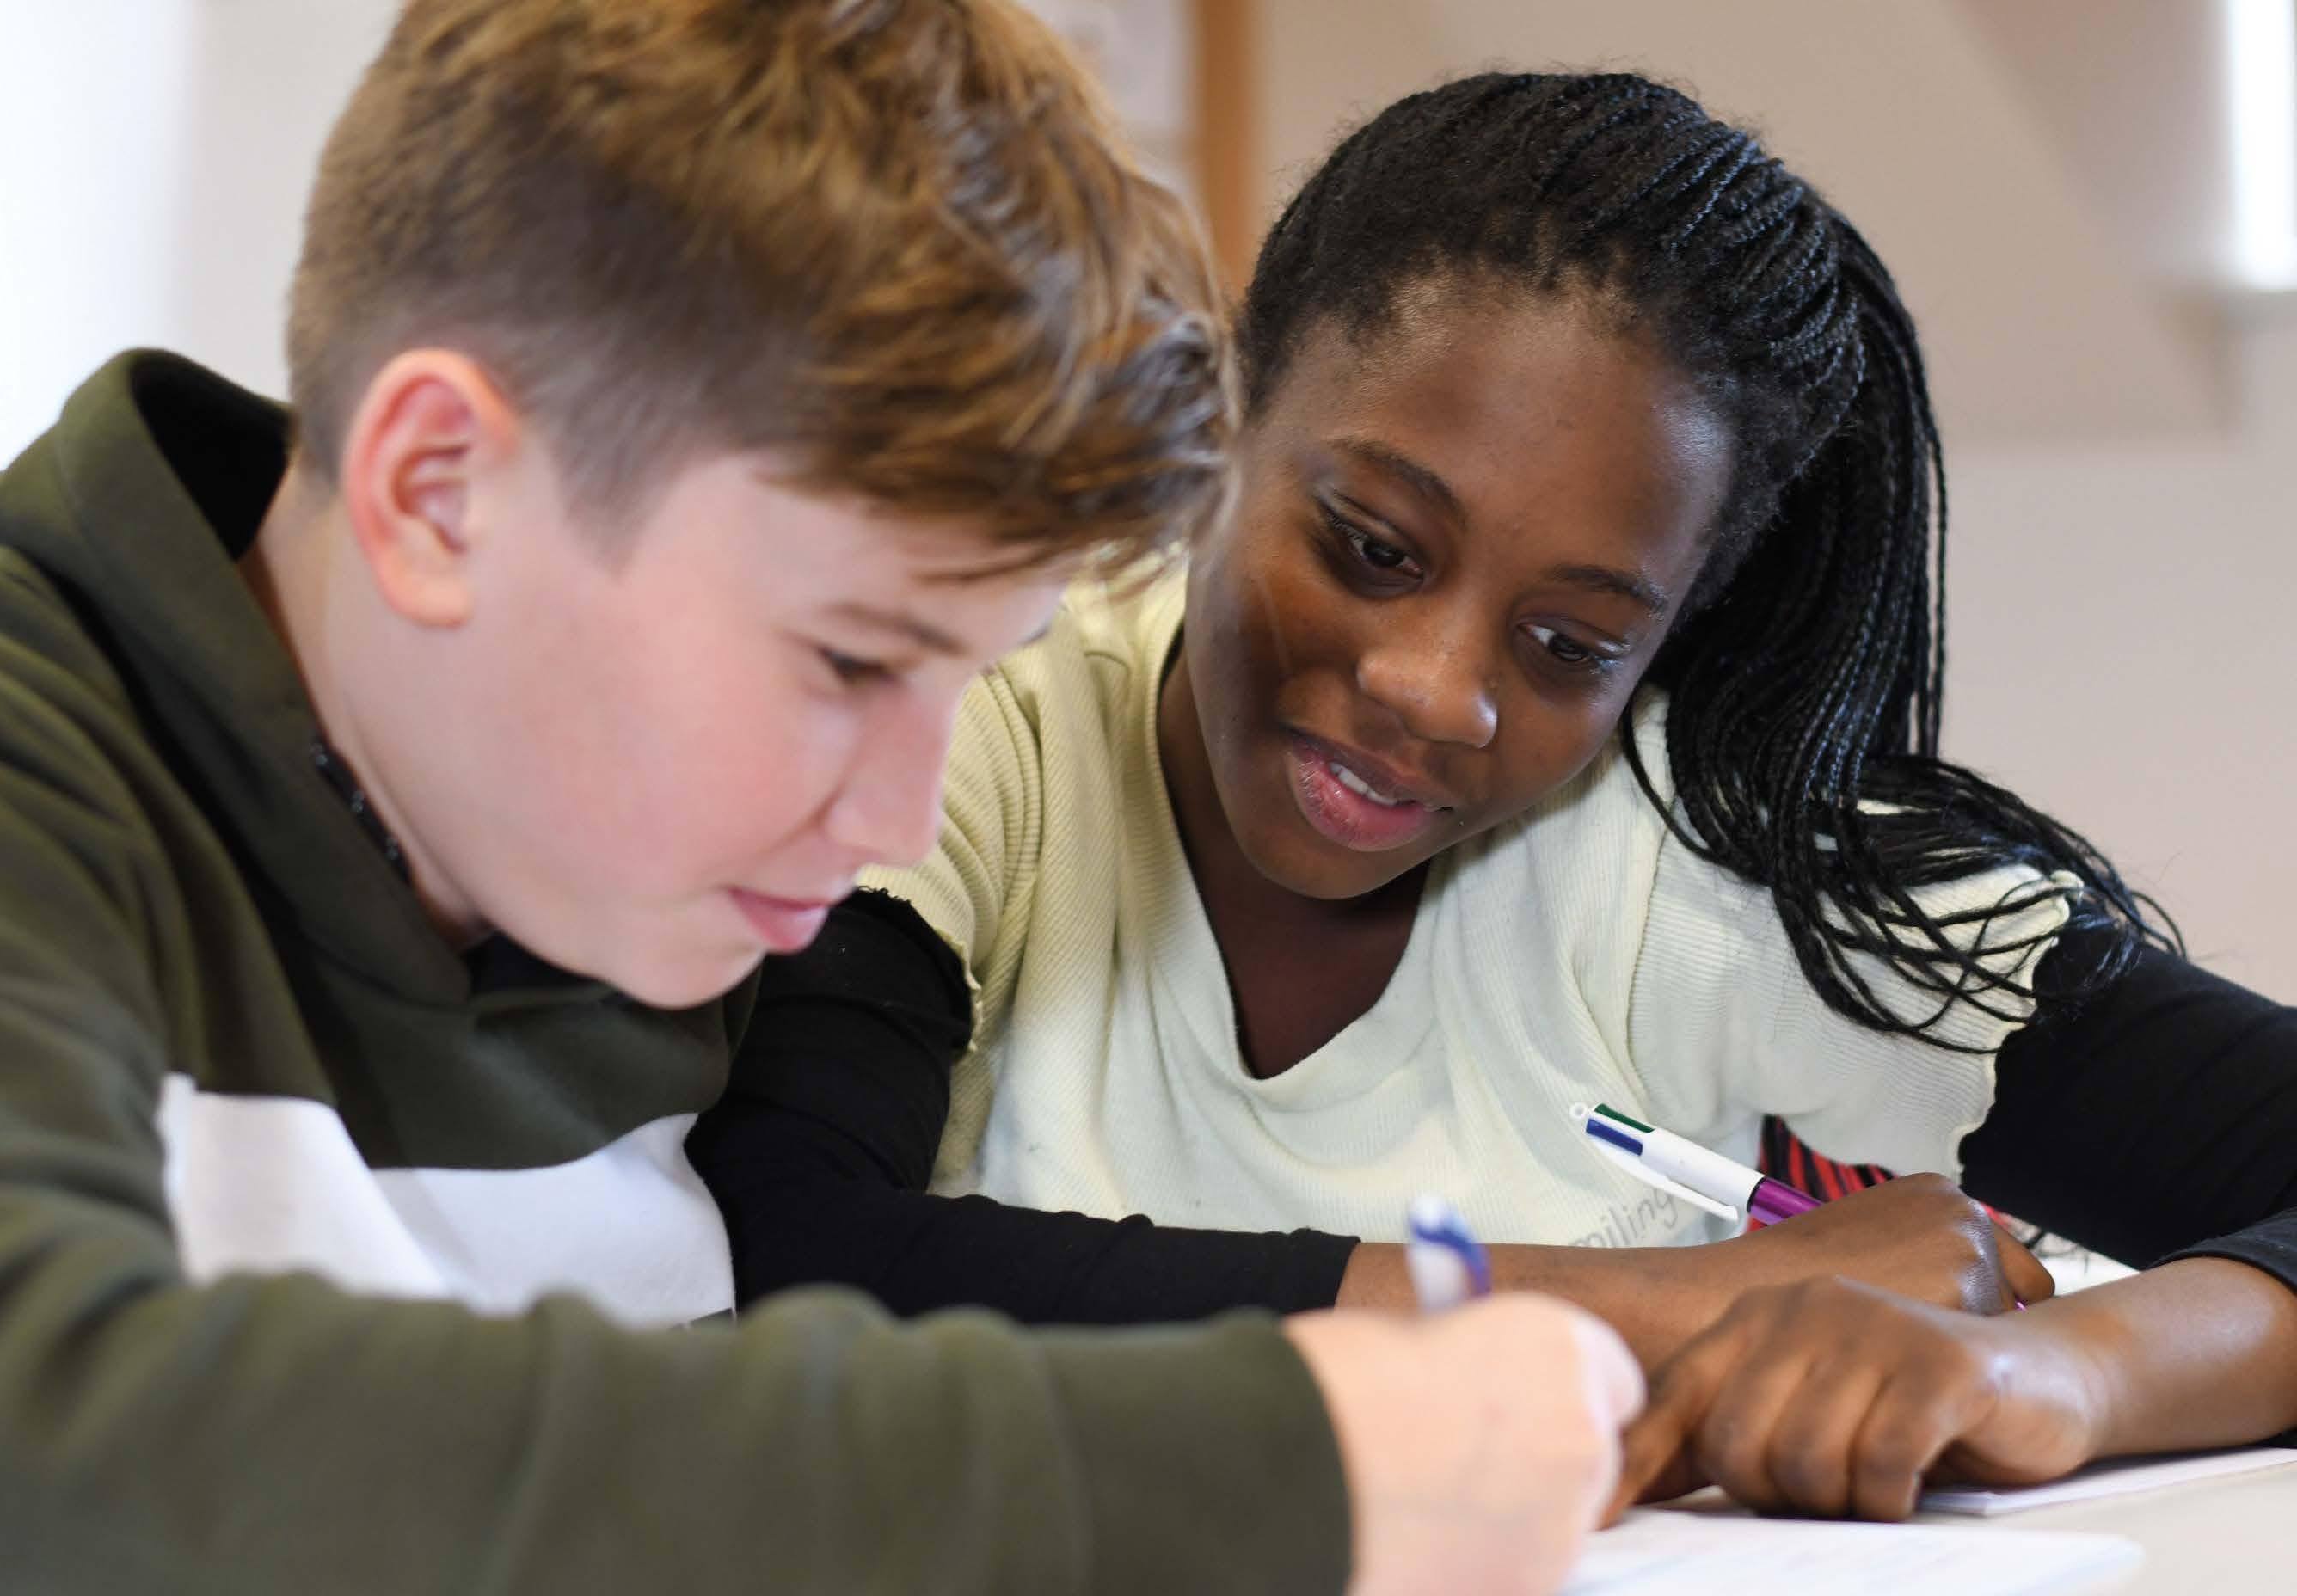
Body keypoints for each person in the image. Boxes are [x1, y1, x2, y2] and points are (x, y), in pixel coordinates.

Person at [0, 8, 1649, 1592]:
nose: (900, 820)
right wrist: (1248, 1473)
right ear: (439, 493)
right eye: (847, 662)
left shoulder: (644, 877)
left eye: (967, 675)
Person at [691, 70, 2297, 1512]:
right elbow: (782, 1260)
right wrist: (1660, 1307)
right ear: (1226, 417)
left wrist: (2048, 1377)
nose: (1435, 690)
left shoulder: (1692, 859)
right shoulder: (979, 715)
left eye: (1570, 644)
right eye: (1373, 548)